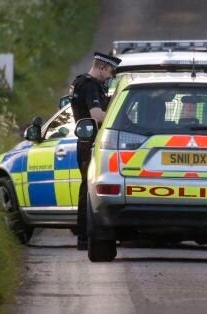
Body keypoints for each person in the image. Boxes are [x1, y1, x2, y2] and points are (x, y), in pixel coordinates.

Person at [71, 52, 121, 250]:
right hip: (90, 143)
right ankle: (84, 237)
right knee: (89, 190)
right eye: (109, 71)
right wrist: (116, 114)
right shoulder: (90, 85)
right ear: (101, 67)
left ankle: (83, 236)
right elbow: (97, 116)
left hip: (84, 141)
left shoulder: (80, 82)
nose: (110, 76)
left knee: (86, 188)